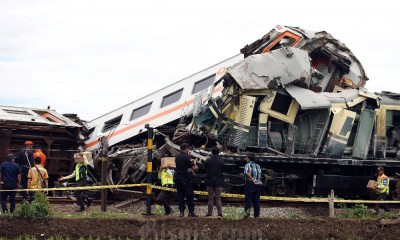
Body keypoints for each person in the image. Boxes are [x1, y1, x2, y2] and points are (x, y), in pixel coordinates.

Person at [174, 143, 197, 217]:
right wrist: (194, 163)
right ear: (186, 149)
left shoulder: (177, 156)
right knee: (189, 194)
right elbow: (192, 166)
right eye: (188, 149)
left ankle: (181, 212)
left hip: (178, 178)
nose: (188, 150)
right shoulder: (187, 156)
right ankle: (191, 212)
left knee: (180, 195)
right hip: (185, 178)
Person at [204, 146, 224, 218]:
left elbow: (205, 168)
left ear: (211, 152)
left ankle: (209, 213)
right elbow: (222, 170)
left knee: (210, 198)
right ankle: (220, 213)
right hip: (219, 182)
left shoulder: (208, 160)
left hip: (210, 181)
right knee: (218, 198)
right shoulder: (221, 161)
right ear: (218, 152)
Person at [244, 153, 262, 218]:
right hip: (258, 183)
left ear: (249, 159)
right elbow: (259, 175)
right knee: (256, 200)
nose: (245, 159)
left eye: (246, 158)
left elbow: (246, 173)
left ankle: (247, 215)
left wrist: (252, 179)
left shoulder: (247, 165)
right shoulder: (258, 166)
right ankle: (257, 215)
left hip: (251, 183)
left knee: (248, 199)